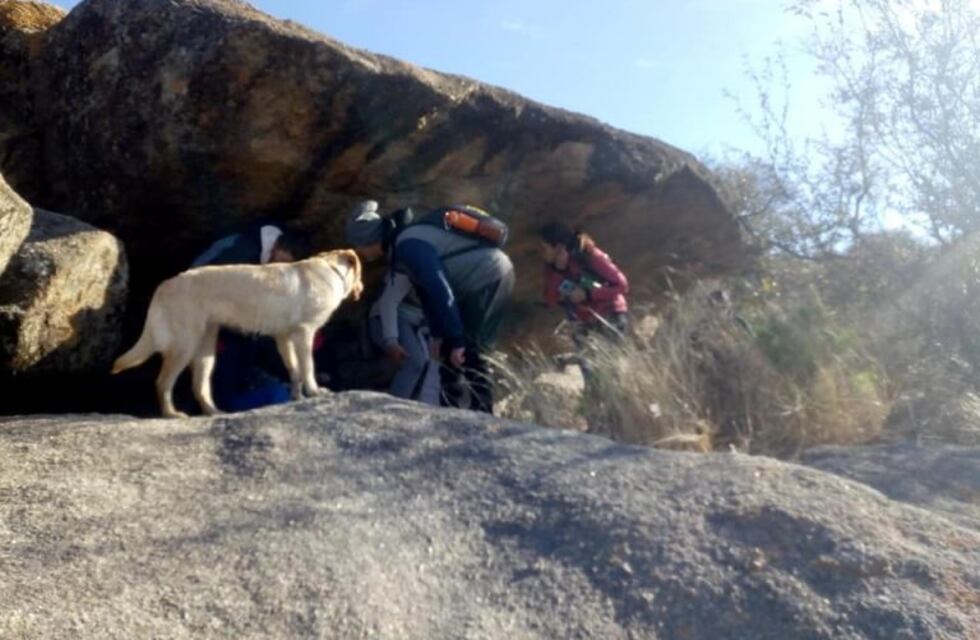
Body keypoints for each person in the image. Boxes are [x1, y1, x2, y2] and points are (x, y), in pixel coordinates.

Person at [346, 200, 514, 413]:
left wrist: (455, 338)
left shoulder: (408, 246)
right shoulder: (404, 245)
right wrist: (439, 335)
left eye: (358, 245)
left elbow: (438, 290)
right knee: (450, 354)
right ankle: (453, 415)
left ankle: (482, 415)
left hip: (485, 277)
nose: (359, 252)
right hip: (487, 276)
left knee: (470, 352)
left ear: (368, 239)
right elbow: (429, 295)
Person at [190, 219, 314, 412]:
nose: (280, 269)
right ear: (276, 247)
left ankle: (246, 389)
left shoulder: (273, 255)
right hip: (201, 307)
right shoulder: (242, 251)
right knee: (224, 378)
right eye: (281, 262)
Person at [539, 221, 630, 409]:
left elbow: (622, 285)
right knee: (589, 373)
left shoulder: (589, 255)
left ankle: (616, 413)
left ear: (559, 247)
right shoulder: (552, 267)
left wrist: (588, 294)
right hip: (583, 322)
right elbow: (550, 300)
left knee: (606, 371)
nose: (542, 252)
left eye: (544, 247)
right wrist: (559, 270)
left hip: (609, 316)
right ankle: (597, 416)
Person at [367, 270, 441, 406]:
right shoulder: (413, 267)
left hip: (419, 326)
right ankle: (393, 409)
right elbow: (388, 303)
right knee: (414, 360)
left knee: (430, 365)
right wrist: (392, 340)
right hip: (388, 319)